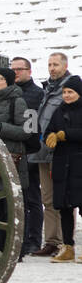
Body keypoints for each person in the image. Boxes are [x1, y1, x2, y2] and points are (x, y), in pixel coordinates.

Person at [0, 67, 31, 255]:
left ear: (9, 82)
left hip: (11, 160)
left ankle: (14, 252)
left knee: (11, 210)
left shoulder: (18, 102)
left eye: (0, 79)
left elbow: (27, 131)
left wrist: (0, 127)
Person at [30, 53, 75, 258]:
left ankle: (65, 241)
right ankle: (51, 241)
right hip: (44, 150)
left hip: (65, 152)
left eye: (56, 64)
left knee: (67, 197)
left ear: (65, 66)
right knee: (48, 199)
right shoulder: (48, 89)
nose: (52, 68)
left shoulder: (72, 89)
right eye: (49, 64)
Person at [43, 75, 82, 263]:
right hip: (61, 165)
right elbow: (47, 131)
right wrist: (50, 135)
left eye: (70, 92)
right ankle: (68, 248)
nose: (66, 95)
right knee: (64, 208)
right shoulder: (58, 111)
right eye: (65, 92)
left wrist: (66, 134)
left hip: (79, 165)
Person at [11, 57, 45, 255]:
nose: (16, 72)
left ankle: (34, 239)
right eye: (13, 69)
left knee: (32, 197)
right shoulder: (12, 92)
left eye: (20, 69)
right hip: (14, 151)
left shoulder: (37, 94)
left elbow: (34, 126)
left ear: (29, 71)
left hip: (30, 151)